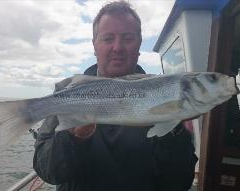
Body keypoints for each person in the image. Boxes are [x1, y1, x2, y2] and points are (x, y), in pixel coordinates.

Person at [33, 1, 198, 191]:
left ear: (139, 44)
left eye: (127, 38)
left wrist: (175, 135)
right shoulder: (66, 92)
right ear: (94, 45)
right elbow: (47, 171)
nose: (118, 47)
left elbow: (178, 183)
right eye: (108, 38)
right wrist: (73, 139)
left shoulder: (165, 94)